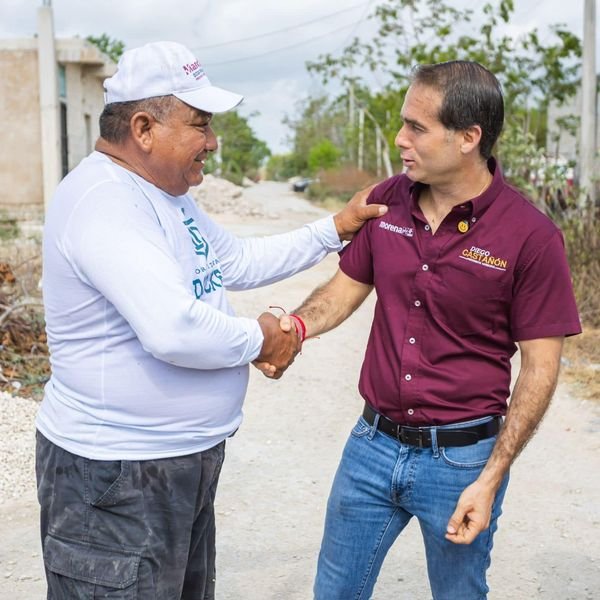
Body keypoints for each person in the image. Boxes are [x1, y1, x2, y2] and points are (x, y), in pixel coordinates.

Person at [35, 40, 386, 599]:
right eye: (200, 125)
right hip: (117, 476)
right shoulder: (104, 201)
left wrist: (334, 229)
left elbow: (237, 262)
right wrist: (263, 338)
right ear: (145, 128)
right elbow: (173, 330)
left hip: (173, 466)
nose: (213, 143)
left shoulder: (167, 196)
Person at [269, 60, 581, 599]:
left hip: (461, 461)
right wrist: (294, 327)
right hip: (370, 444)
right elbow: (344, 290)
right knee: (334, 592)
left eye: (416, 126)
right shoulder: (387, 200)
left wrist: (490, 477)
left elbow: (541, 367)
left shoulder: (531, 237)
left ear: (468, 137)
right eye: (402, 123)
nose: (400, 138)